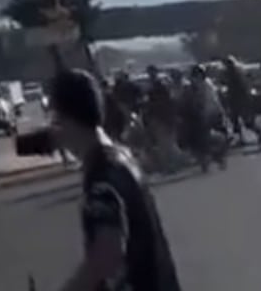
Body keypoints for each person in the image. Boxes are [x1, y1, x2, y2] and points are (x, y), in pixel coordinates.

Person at [50, 70, 183, 291]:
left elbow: (106, 257)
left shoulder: (102, 176)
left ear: (66, 120)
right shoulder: (122, 158)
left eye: (55, 120)